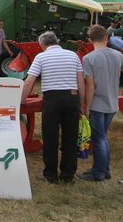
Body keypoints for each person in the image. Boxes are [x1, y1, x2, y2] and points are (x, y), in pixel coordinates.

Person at [79, 25, 123, 182]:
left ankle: (98, 173)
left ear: (90, 40)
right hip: (112, 103)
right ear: (106, 38)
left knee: (99, 139)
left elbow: (90, 86)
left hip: (97, 104)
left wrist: (86, 106)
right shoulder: (118, 55)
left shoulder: (88, 58)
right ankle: (105, 170)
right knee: (103, 137)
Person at [21, 31, 85, 184]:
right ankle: (68, 175)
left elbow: (29, 82)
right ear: (57, 41)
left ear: (42, 44)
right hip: (72, 97)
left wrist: (21, 100)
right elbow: (80, 81)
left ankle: (50, 174)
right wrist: (80, 103)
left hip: (52, 99)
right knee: (70, 137)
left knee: (50, 137)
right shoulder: (73, 55)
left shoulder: (41, 57)